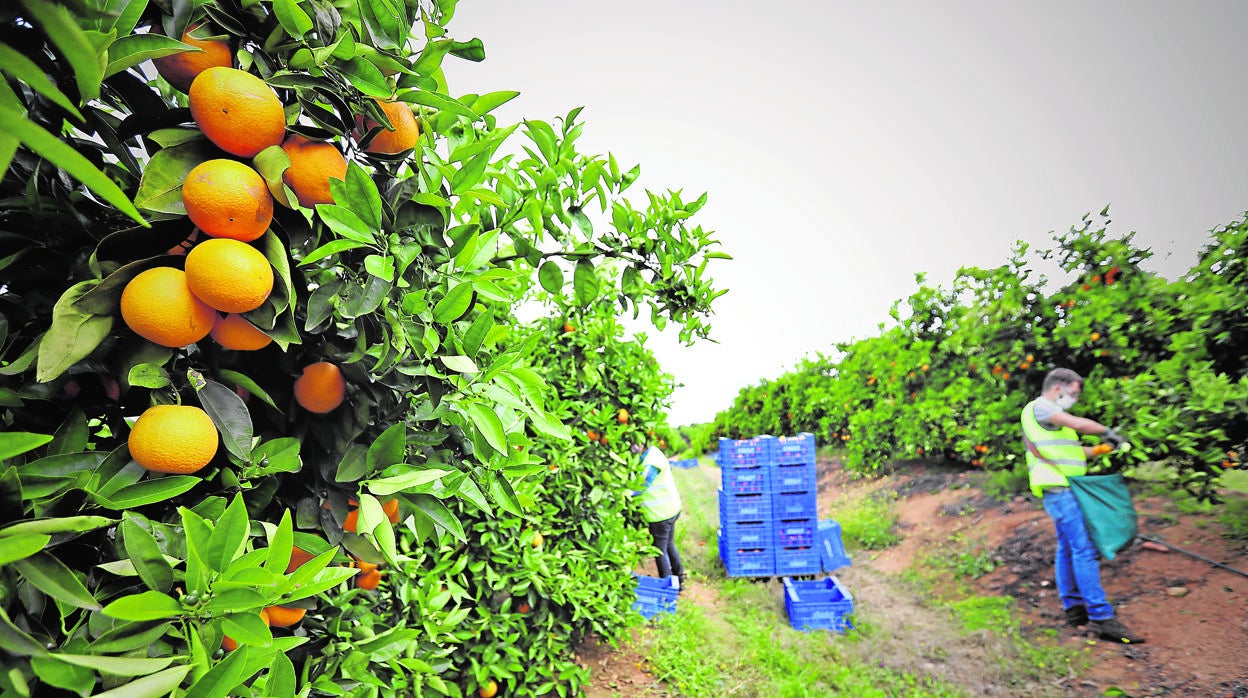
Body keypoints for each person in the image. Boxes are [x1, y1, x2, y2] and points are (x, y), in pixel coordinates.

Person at [1021, 367, 1144, 643]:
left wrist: (1100, 449)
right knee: (1084, 550)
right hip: (1060, 491)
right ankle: (1101, 618)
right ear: (1058, 388)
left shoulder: (1052, 419)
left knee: (1068, 548)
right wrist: (1107, 432)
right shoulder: (1042, 407)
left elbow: (1072, 450)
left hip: (1063, 489)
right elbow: (1077, 423)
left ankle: (1074, 609)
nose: (1075, 399)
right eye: (1074, 393)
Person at [636, 444, 685, 591]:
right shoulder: (654, 452)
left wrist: (619, 494)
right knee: (669, 545)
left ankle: (667, 587)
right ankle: (679, 579)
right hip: (670, 509)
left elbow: (639, 487)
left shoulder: (651, 463)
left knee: (660, 550)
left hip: (660, 514)